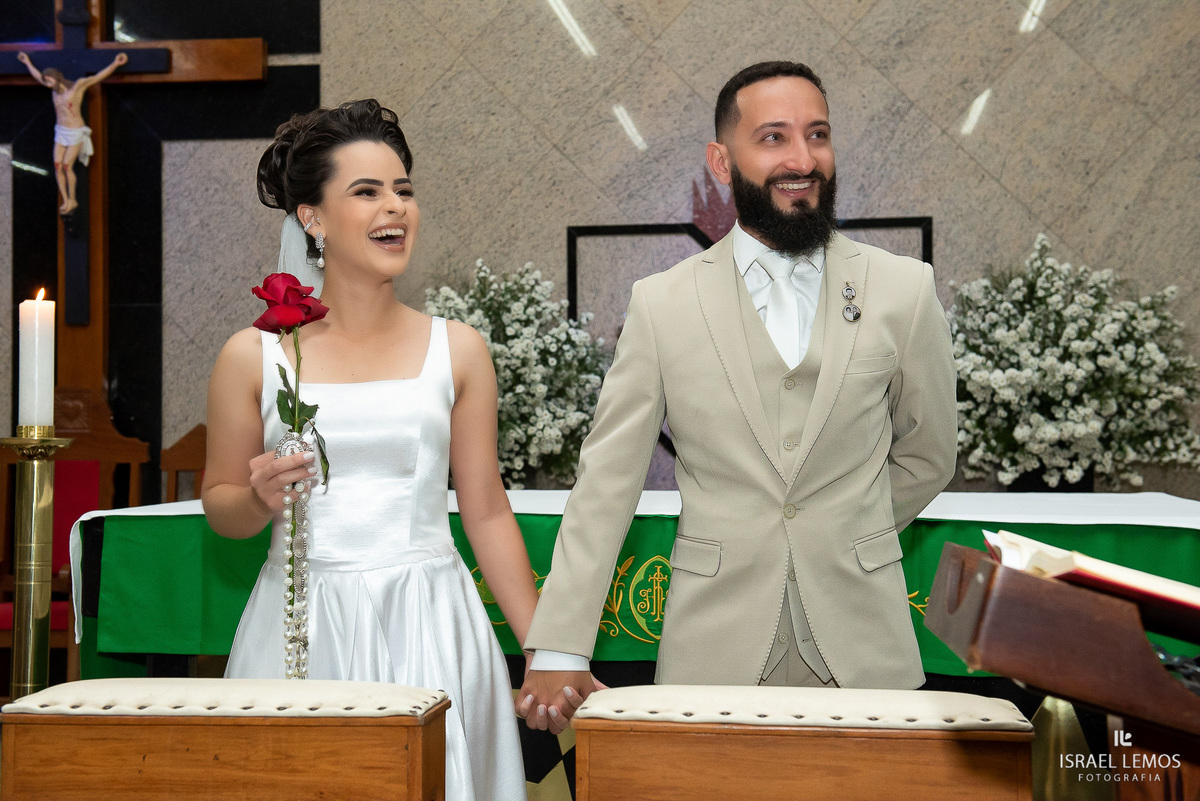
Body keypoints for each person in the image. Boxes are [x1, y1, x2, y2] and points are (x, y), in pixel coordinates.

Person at [518, 61, 958, 733]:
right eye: (774, 137)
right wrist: (559, 644)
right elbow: (607, 482)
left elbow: (929, 454)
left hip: (868, 650)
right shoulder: (662, 303)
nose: (802, 159)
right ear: (722, 162)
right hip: (710, 652)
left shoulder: (905, 289)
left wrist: (845, 530)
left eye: (817, 135)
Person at [202, 99, 536, 801]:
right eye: (367, 191)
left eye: (403, 190)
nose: (395, 207)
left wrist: (545, 649)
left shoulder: (459, 350)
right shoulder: (253, 356)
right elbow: (221, 508)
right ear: (312, 218)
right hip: (301, 621)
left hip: (430, 620)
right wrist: (257, 499)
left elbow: (486, 513)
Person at [16, 50, 127, 215]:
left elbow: (97, 77)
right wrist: (27, 63)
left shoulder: (77, 87)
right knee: (57, 165)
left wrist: (115, 64)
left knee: (67, 166)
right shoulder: (53, 90)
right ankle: (66, 199)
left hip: (74, 131)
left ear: (56, 77)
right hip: (60, 131)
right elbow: (37, 76)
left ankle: (73, 199)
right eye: (46, 82)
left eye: (49, 81)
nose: (47, 84)